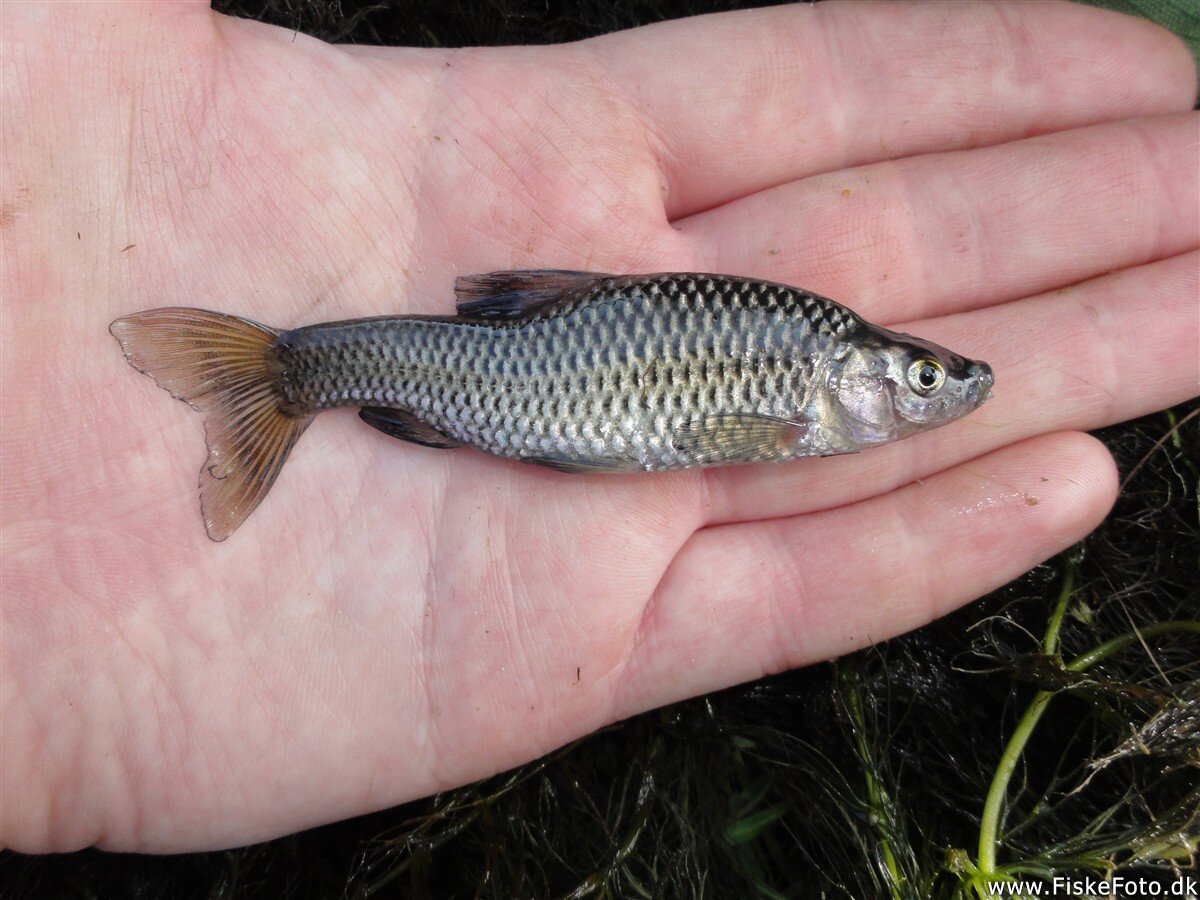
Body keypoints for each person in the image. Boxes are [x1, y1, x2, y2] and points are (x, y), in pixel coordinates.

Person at [1, 0, 1196, 855]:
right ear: (863, 373)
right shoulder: (809, 366)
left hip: (534, 390)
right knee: (338, 374)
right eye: (922, 381)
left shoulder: (809, 358)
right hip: (519, 382)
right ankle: (278, 376)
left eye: (923, 383)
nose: (927, 391)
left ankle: (285, 376)